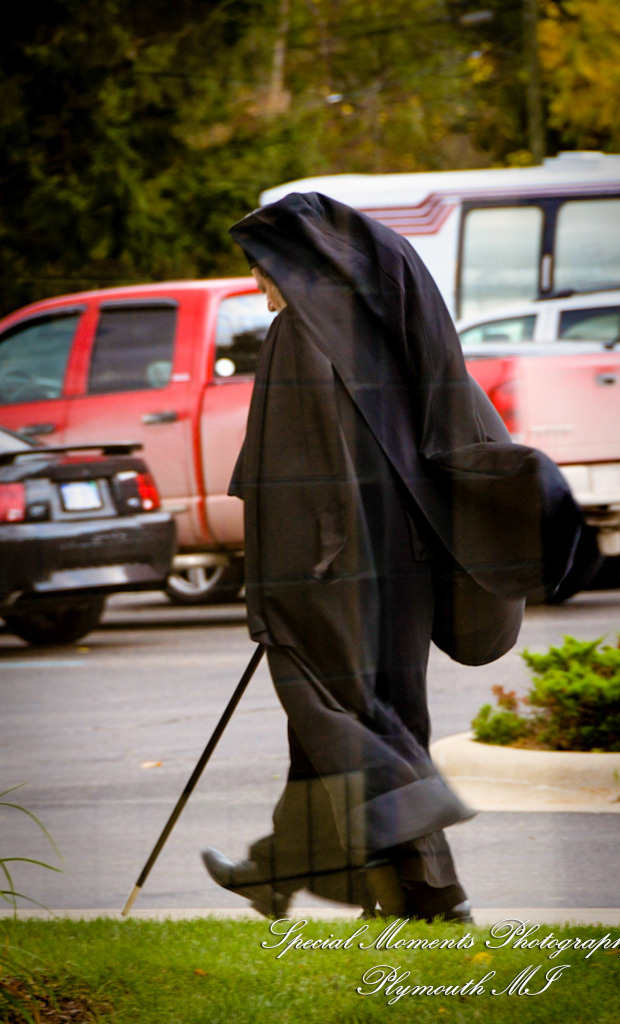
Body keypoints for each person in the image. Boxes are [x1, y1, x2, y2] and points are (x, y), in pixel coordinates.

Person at [201, 192, 579, 920]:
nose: (259, 283)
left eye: (262, 267)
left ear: (298, 265)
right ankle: (278, 873)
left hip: (333, 574)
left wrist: (280, 594)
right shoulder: (393, 326)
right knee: (350, 719)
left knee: (358, 721)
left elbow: (299, 483)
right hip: (405, 568)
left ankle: (437, 889)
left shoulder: (299, 338)